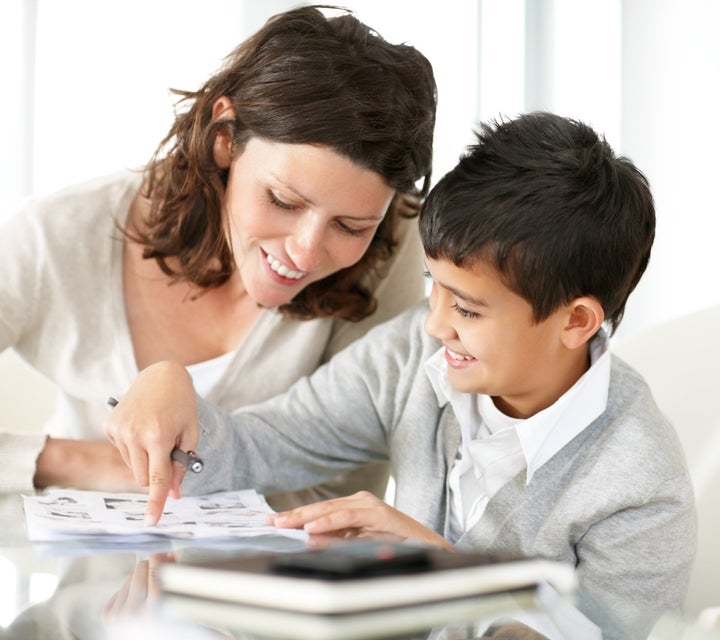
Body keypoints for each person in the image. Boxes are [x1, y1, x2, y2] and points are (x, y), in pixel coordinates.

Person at [105, 111, 697, 639]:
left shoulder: (641, 485)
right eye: (433, 287)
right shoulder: (414, 353)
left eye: (466, 308)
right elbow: (269, 444)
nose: (436, 324)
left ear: (576, 321)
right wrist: (174, 392)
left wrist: (440, 568)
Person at [0, 5, 437, 505]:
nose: (305, 251)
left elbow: (345, 496)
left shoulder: (391, 238)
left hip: (275, 578)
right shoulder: (57, 238)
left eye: (349, 226)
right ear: (225, 141)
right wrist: (74, 461)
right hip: (79, 575)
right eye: (283, 201)